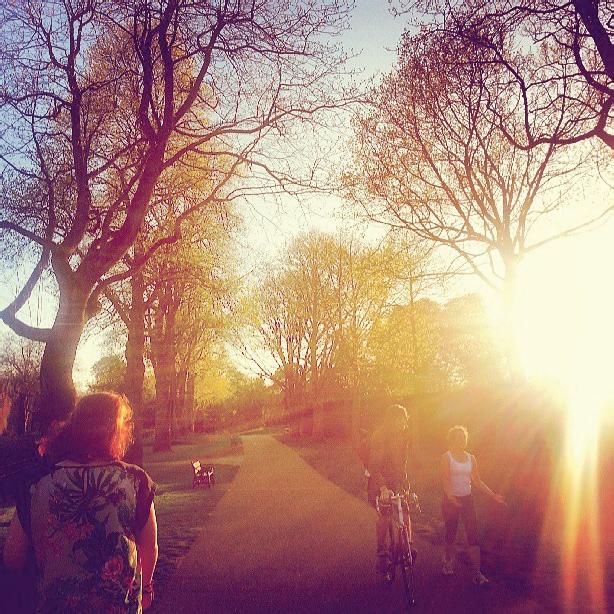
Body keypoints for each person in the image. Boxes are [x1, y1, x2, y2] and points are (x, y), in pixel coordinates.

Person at [3, 392, 158, 612]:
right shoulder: (135, 481)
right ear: (116, 432)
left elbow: (13, 557)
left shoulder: (37, 485)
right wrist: (147, 588)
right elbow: (149, 548)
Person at [441, 425, 505, 586]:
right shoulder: (447, 457)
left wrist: (493, 495)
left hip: (467, 500)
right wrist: (450, 496)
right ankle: (447, 561)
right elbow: (445, 480)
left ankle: (477, 573)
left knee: (473, 537)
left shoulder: (471, 458)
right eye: (459, 438)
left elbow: (477, 480)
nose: (462, 440)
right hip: (450, 501)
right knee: (451, 535)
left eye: (464, 437)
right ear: (452, 440)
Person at [367, 403, 415, 574]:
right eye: (399, 420)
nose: (402, 423)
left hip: (397, 480)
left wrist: (406, 485)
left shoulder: (403, 437)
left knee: (405, 510)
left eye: (404, 420)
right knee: (386, 515)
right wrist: (383, 488)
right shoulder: (379, 436)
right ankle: (382, 552)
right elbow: (374, 466)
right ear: (390, 420)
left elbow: (402, 464)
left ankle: (408, 545)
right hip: (379, 480)